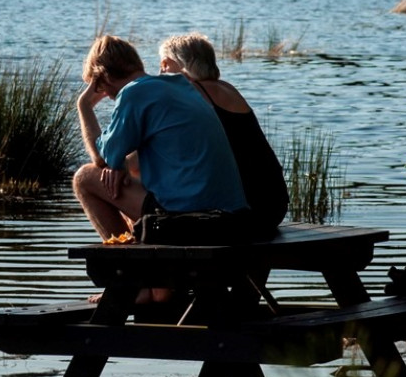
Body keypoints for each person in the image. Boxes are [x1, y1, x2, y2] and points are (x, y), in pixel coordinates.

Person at [73, 35, 249, 303]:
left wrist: (84, 106)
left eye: (100, 88)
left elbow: (101, 159)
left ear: (102, 79)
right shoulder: (180, 85)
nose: (107, 97)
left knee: (85, 178)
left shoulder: (134, 93)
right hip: (232, 218)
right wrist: (119, 164)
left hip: (192, 219)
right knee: (132, 179)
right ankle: (154, 284)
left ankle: (134, 282)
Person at [158, 32, 288, 236]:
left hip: (241, 212)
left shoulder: (190, 93)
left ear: (169, 63)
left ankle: (137, 257)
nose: (161, 71)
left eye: (163, 65)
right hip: (273, 205)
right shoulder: (227, 88)